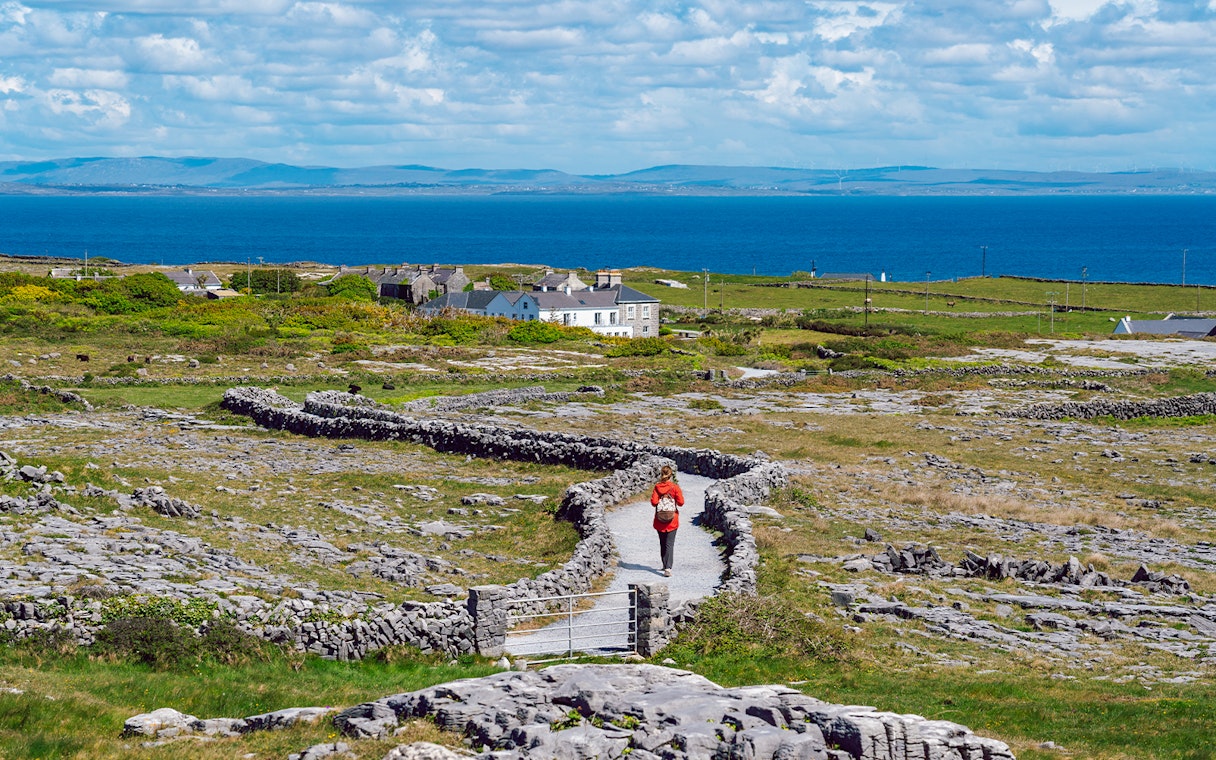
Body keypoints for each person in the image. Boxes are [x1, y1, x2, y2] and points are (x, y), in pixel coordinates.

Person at [649, 464, 685, 577]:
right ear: (671, 475)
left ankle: (664, 564)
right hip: (672, 520)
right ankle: (668, 568)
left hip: (659, 520)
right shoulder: (674, 487)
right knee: (670, 544)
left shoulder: (657, 487)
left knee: (662, 543)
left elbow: (654, 502)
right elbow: (681, 503)